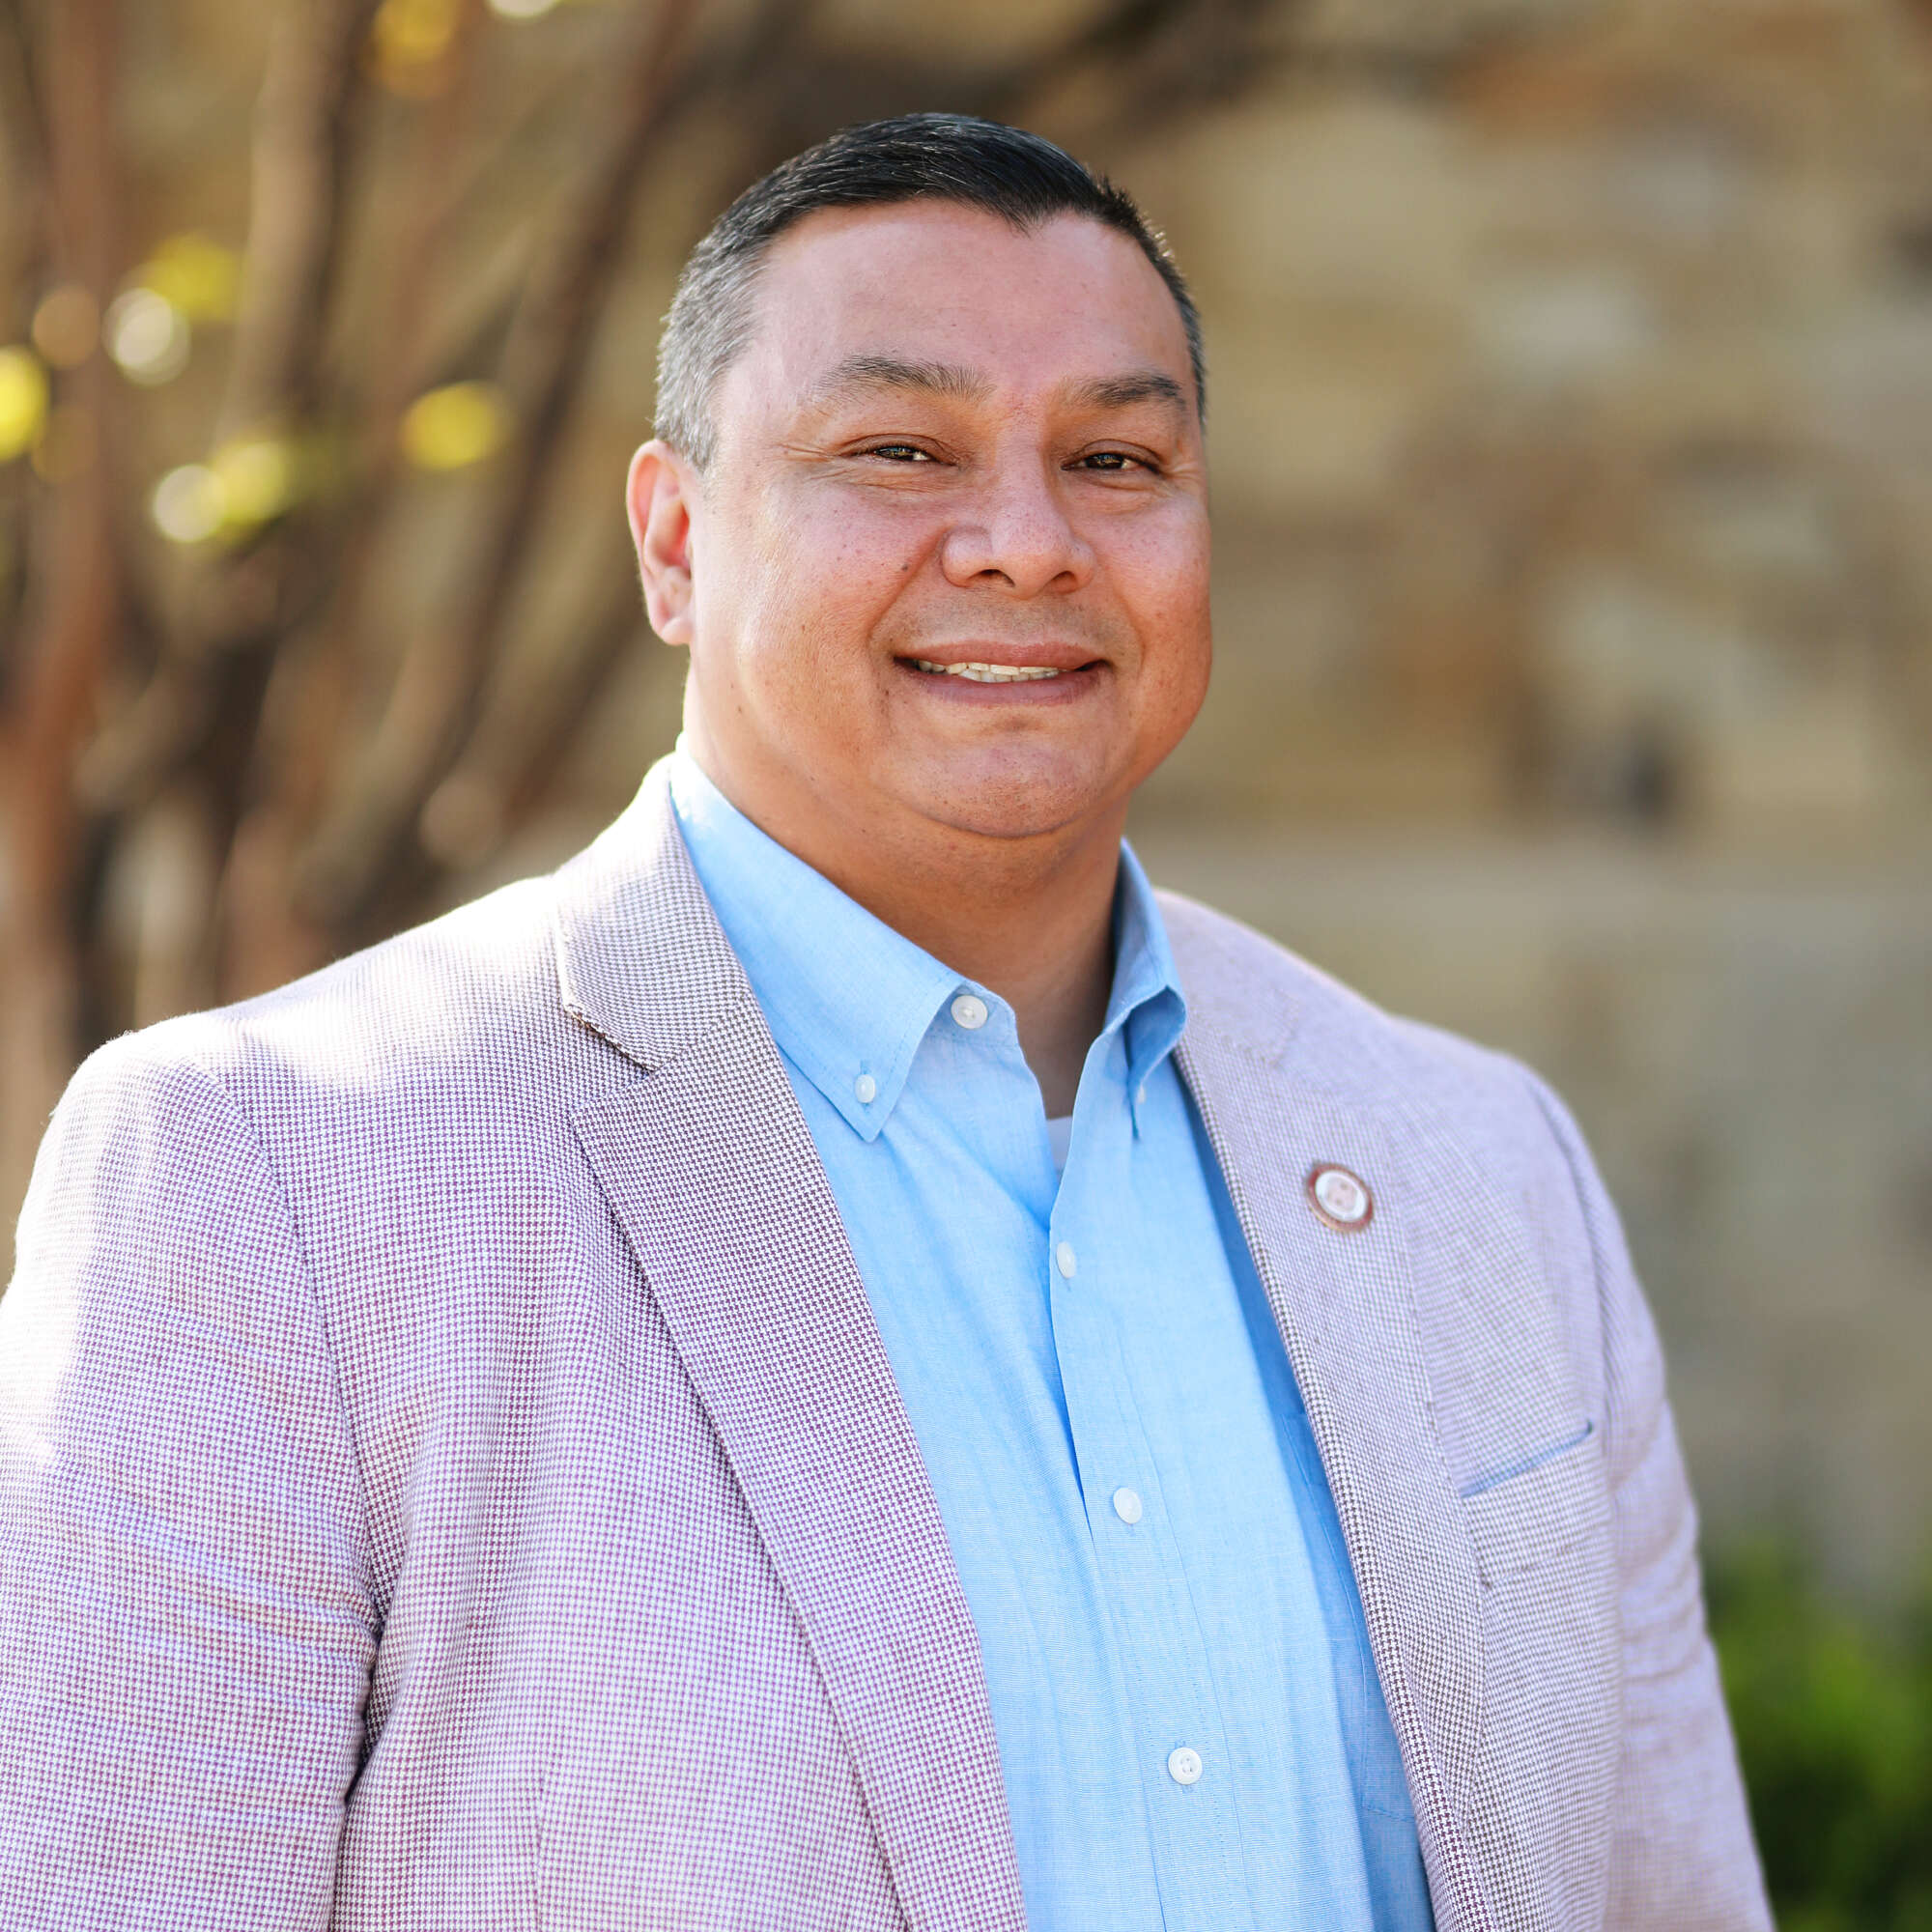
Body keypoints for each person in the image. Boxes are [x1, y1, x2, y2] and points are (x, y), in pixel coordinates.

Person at [0, 114, 1769, 1930]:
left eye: (1116, 459)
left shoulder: (1483, 1166)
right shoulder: (269, 1180)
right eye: (900, 450)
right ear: (675, 542)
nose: (1027, 545)